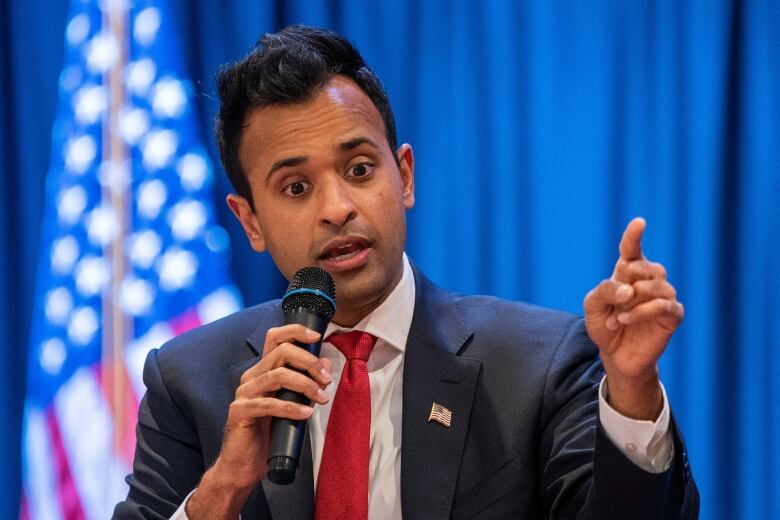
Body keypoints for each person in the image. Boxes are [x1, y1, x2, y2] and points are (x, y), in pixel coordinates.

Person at [114, 25, 699, 519]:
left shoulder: (536, 364)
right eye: (296, 187)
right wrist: (222, 488)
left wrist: (630, 391)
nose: (337, 207)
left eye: (361, 169)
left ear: (406, 177)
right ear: (251, 223)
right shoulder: (191, 380)